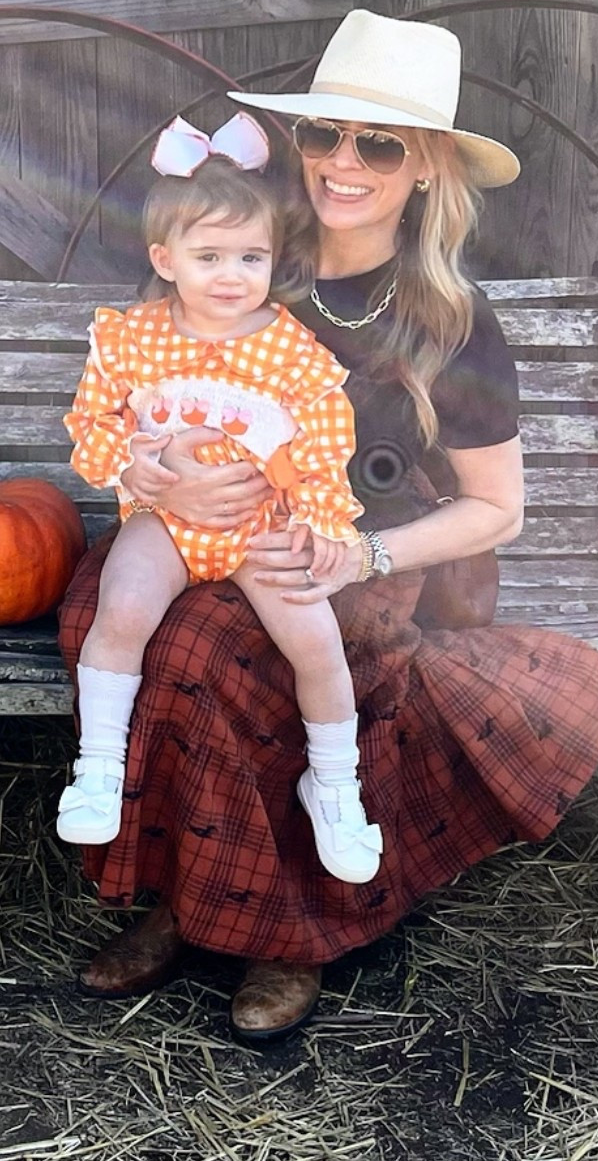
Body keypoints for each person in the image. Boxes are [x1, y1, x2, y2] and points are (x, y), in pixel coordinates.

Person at [59, 10, 598, 1044]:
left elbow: (497, 509)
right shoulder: (244, 247)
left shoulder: (450, 321)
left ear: (428, 168)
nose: (344, 162)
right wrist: (151, 470)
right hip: (191, 527)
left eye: (380, 144)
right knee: (138, 619)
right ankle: (190, 897)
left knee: (231, 651)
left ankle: (290, 929)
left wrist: (358, 553)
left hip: (353, 549)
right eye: (326, 134)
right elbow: (143, 386)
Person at [60, 113, 382, 883]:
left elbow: (323, 439)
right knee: (122, 609)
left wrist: (321, 521)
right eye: (208, 257)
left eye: (250, 257)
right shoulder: (133, 339)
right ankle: (98, 764)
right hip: (165, 520)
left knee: (317, 641)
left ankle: (334, 783)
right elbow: (91, 422)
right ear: (165, 260)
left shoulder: (291, 350)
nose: (231, 275)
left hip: (257, 524)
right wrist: (132, 468)